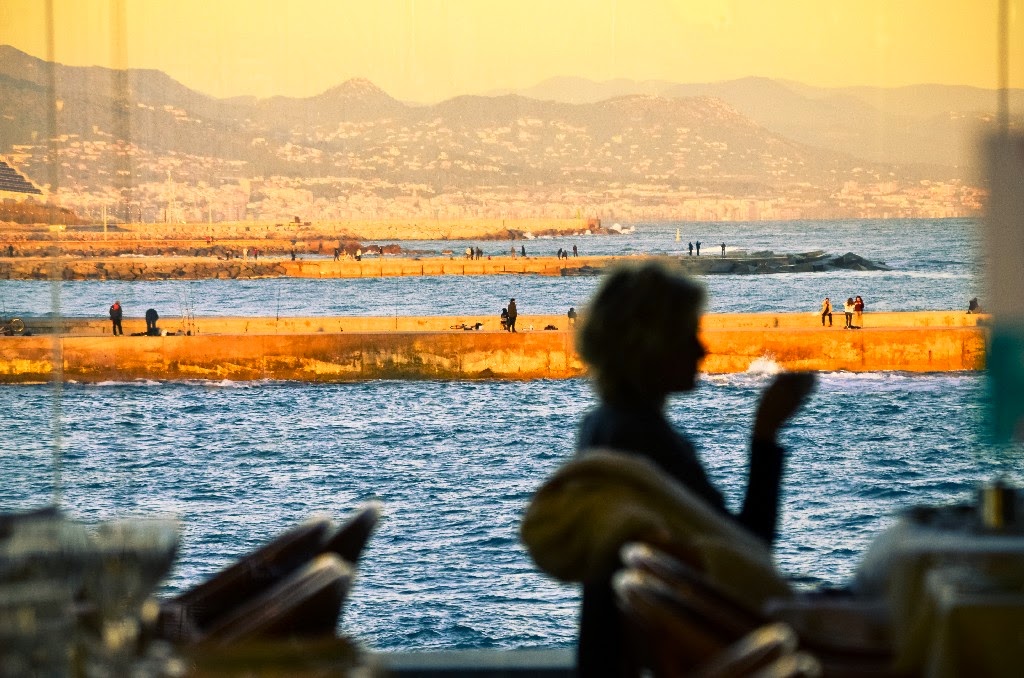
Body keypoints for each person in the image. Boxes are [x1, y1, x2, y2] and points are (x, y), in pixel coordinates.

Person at [571, 262, 816, 676]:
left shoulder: (604, 425)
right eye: (688, 337)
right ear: (650, 346)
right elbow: (748, 551)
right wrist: (765, 432)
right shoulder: (644, 440)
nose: (703, 351)